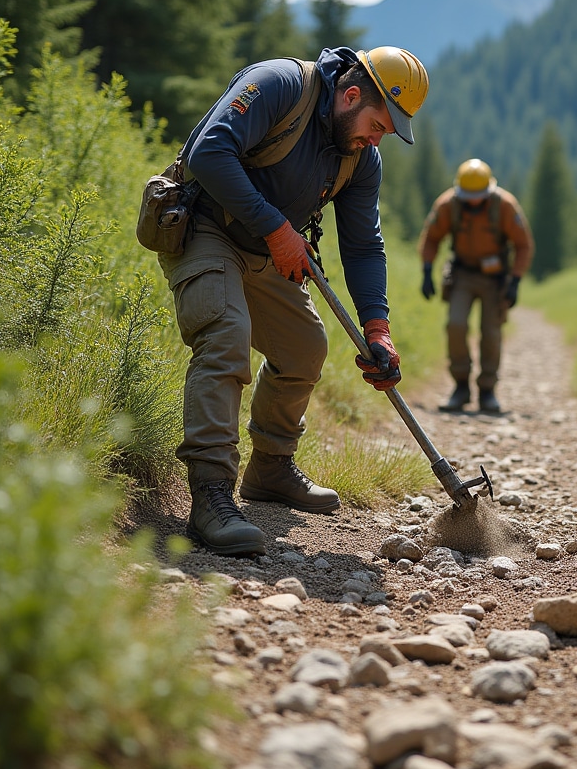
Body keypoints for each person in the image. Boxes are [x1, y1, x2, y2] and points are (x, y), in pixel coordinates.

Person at [158, 45, 429, 557]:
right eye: (378, 124)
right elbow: (208, 152)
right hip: (206, 228)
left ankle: (270, 470)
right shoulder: (280, 84)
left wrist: (377, 328)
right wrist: (277, 229)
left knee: (304, 349)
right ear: (351, 95)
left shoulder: (360, 160)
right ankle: (211, 491)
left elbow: (363, 244)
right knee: (226, 335)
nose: (379, 138)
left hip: (268, 249)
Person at [418, 159, 534, 414]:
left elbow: (523, 244)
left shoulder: (504, 206)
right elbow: (431, 237)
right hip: (462, 275)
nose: (472, 201)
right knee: (455, 325)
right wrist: (427, 270)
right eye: (468, 196)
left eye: (478, 196)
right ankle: (460, 386)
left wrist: (515, 280)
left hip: (495, 280)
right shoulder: (448, 205)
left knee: (491, 333)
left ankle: (487, 391)